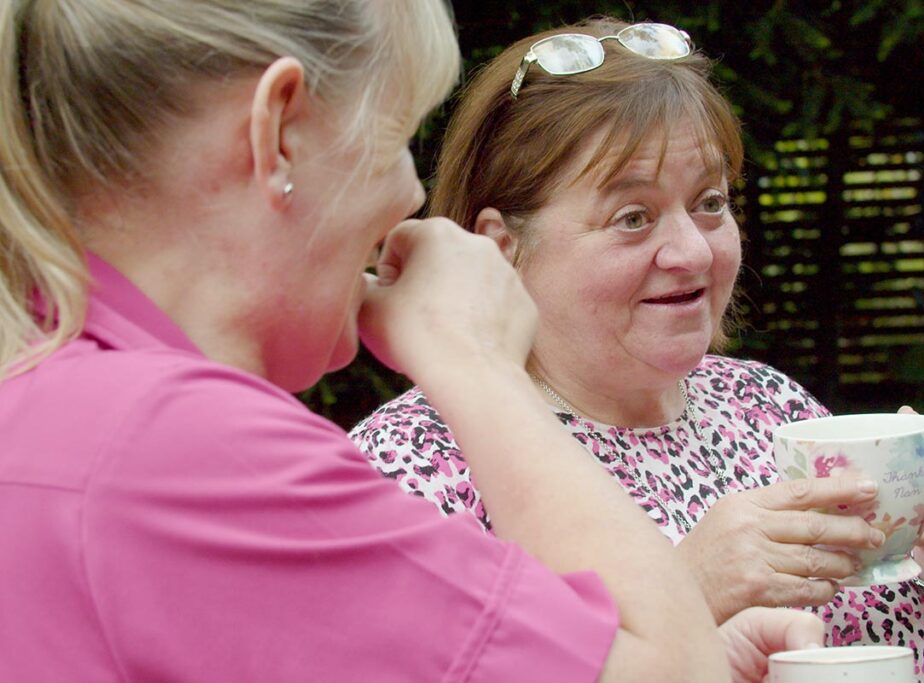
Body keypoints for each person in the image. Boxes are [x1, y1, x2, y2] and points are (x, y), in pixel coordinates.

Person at [0, 2, 825, 682]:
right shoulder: (183, 447)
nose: (413, 193)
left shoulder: (56, 400)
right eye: (398, 135)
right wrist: (473, 358)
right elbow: (673, 672)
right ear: (279, 131)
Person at [351, 17, 924, 683]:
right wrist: (687, 586)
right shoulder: (417, 466)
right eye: (632, 217)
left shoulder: (768, 406)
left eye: (709, 202)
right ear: (502, 246)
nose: (694, 251)